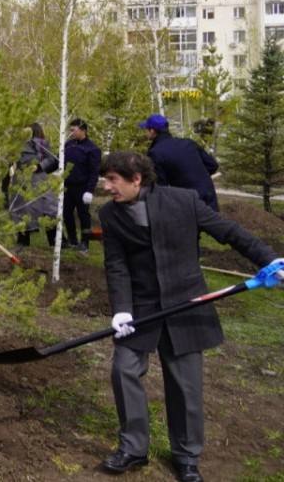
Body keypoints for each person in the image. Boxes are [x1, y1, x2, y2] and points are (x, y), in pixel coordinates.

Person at [97, 151, 277, 482]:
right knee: (124, 370)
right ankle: (134, 448)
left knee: (185, 385)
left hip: (186, 303)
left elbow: (230, 232)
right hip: (142, 306)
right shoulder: (109, 214)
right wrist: (121, 308)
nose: (107, 186)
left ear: (136, 179)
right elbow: (117, 264)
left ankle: (186, 456)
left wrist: (269, 259)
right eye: (106, 179)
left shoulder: (182, 200)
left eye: (112, 179)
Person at [140, 114, 220, 212]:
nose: (145, 132)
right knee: (213, 226)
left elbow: (160, 187)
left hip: (188, 201)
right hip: (209, 195)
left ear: (152, 131)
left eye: (146, 129)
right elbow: (213, 165)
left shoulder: (155, 153)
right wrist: (198, 177)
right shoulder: (188, 142)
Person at [10, 122, 59, 251]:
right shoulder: (17, 145)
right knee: (22, 208)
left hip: (38, 178)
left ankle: (55, 240)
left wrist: (39, 166)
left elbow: (52, 158)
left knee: (48, 207)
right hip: (21, 179)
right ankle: (23, 240)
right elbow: (9, 159)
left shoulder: (42, 144)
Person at [63, 118, 101, 252]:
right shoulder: (68, 145)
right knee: (66, 213)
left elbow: (94, 172)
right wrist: (40, 167)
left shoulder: (92, 149)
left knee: (83, 215)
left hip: (82, 187)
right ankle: (72, 239)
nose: (71, 132)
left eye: (73, 130)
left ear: (83, 131)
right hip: (67, 185)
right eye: (70, 130)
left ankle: (85, 242)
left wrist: (89, 190)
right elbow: (57, 161)